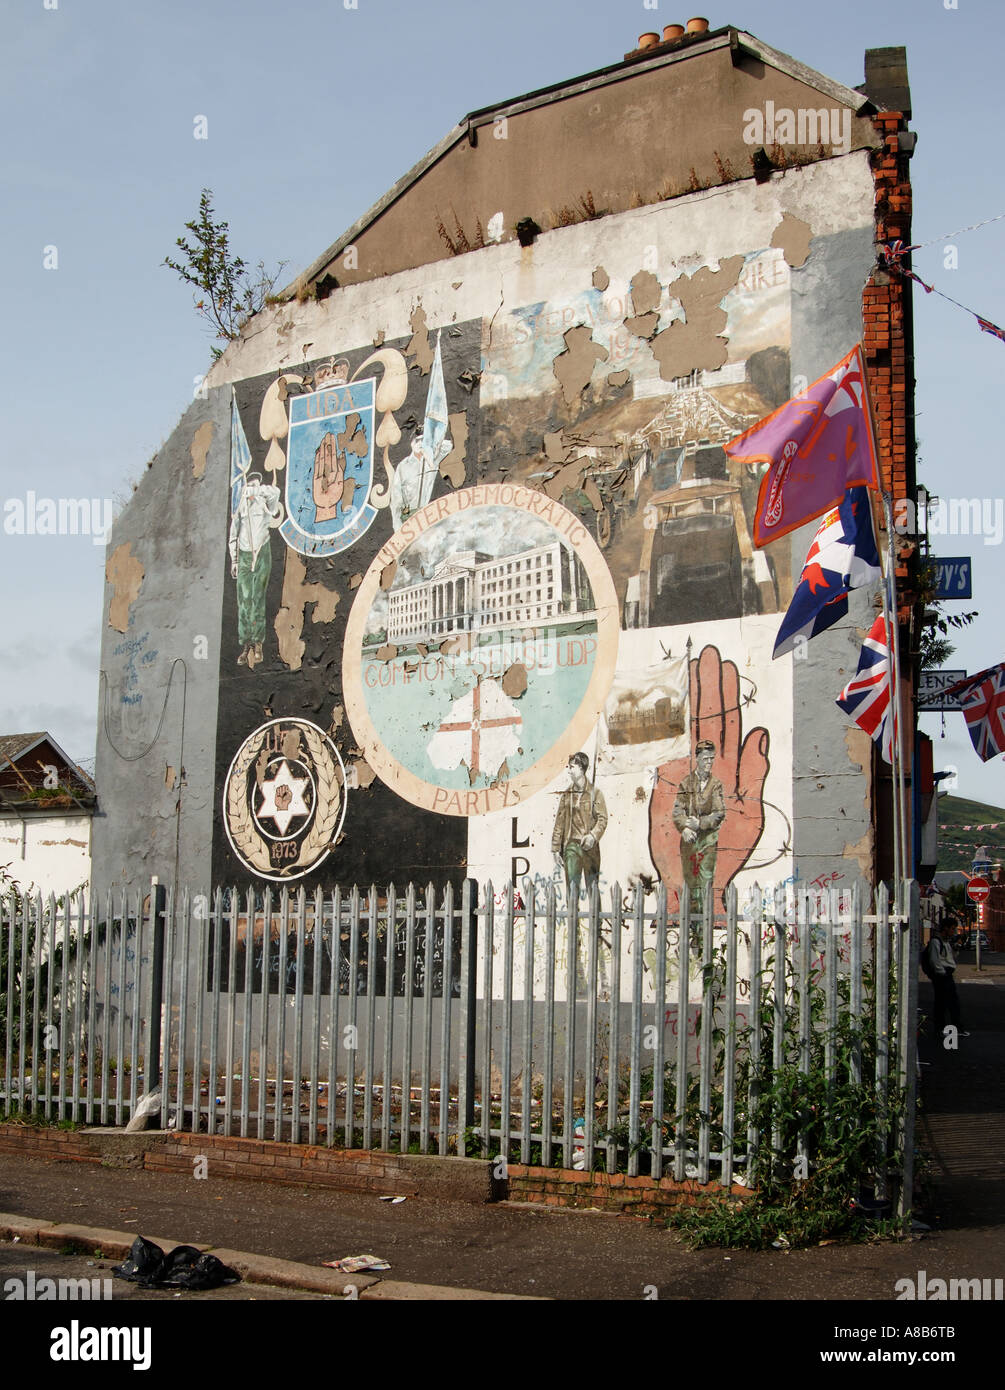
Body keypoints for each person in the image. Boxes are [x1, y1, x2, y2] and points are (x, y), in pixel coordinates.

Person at [229, 471, 284, 666]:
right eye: (248, 484)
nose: (250, 488)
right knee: (244, 600)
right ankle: (246, 645)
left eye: (254, 483)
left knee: (257, 598)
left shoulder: (265, 501)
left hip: (262, 551)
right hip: (244, 554)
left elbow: (275, 492)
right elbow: (233, 533)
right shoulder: (240, 506)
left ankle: (258, 644)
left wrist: (257, 492)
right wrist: (234, 561)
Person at [672, 739, 726, 914]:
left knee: (705, 883)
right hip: (689, 843)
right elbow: (678, 812)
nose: (709, 763)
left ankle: (704, 930)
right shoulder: (686, 783)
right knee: (690, 885)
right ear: (697, 759)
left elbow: (718, 813)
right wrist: (685, 828)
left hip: (708, 842)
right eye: (705, 759)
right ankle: (693, 933)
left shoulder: (716, 784)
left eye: (711, 758)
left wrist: (700, 823)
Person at [552, 752, 607, 904]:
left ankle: (597, 927)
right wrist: (556, 848)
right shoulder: (566, 795)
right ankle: (573, 928)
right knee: (572, 892)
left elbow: (602, 819)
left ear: (582, 768)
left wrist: (593, 836)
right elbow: (559, 822)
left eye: (572, 767)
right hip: (571, 848)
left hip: (590, 848)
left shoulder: (595, 793)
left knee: (593, 891)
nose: (569, 770)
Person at [926, 921, 969, 1039]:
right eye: (952, 929)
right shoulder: (936, 942)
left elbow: (951, 957)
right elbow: (935, 961)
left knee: (949, 1003)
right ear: (945, 928)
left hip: (947, 975)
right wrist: (942, 973)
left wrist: (958, 946)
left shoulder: (945, 942)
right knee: (944, 1004)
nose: (953, 932)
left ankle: (949, 1028)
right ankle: (943, 1029)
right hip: (942, 977)